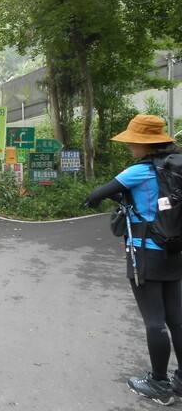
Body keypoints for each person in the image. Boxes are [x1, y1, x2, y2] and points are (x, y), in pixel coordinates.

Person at [85, 114, 182, 406]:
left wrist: (114, 196)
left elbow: (95, 195)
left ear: (144, 145)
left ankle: (159, 384)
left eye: (133, 143)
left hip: (146, 251)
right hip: (175, 250)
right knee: (177, 321)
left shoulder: (138, 171)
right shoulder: (178, 167)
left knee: (154, 322)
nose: (130, 148)